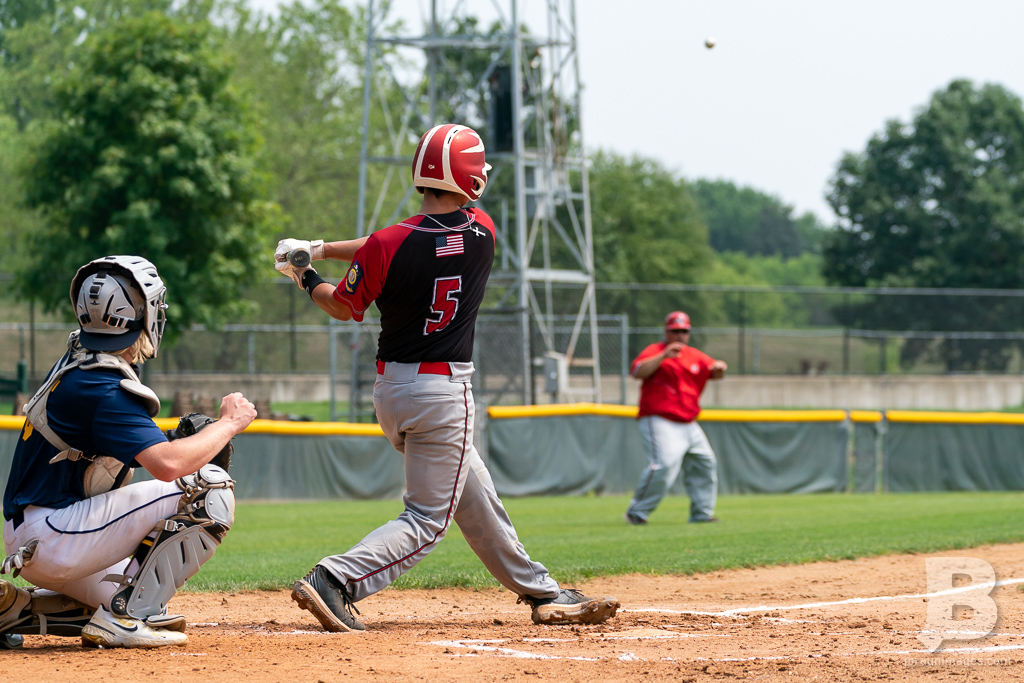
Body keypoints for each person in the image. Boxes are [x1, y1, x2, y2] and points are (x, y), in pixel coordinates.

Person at [274, 123, 620, 631]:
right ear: (468, 177)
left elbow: (348, 296)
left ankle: (542, 591)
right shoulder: (483, 230)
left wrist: (306, 271)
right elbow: (405, 242)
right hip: (442, 393)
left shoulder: (389, 244)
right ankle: (335, 579)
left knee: (477, 497)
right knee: (427, 521)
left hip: (393, 392)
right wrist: (319, 250)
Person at [0, 255, 256, 649]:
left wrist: (171, 437)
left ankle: (18, 609)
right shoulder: (104, 386)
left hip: (39, 537)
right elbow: (168, 466)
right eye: (154, 305)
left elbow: (113, 439)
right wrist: (230, 423)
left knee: (132, 589)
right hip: (56, 537)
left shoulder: (78, 359)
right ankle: (125, 619)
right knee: (209, 487)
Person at [624, 311, 727, 525]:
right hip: (659, 419)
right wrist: (663, 356)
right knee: (664, 464)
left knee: (705, 462)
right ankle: (637, 511)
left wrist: (720, 367)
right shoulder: (655, 351)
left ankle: (701, 513)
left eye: (683, 331)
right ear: (666, 332)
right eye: (675, 331)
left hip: (689, 422)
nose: (679, 335)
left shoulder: (694, 355)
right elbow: (637, 372)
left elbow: (714, 373)